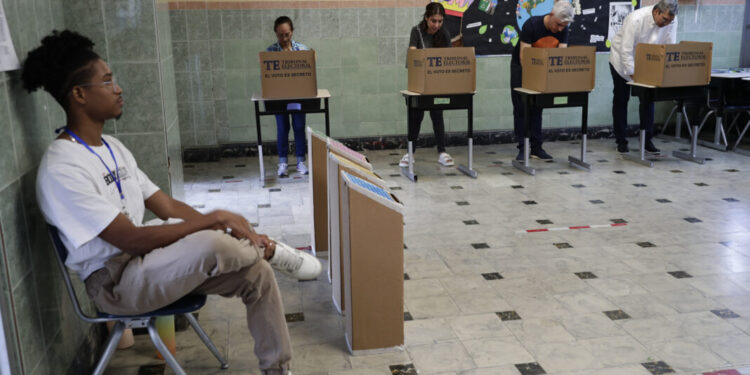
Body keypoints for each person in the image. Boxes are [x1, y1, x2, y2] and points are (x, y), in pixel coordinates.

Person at [23, 30, 323, 375]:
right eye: (107, 82)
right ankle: (267, 247)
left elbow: (165, 205)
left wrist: (221, 223)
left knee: (257, 274)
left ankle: (277, 368)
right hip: (116, 283)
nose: (117, 88)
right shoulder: (62, 166)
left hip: (148, 263)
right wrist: (215, 219)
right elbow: (129, 239)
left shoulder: (113, 148)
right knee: (212, 242)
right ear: (79, 94)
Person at [609, 0, 678, 154]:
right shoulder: (636, 19)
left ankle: (647, 140)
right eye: (664, 20)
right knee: (621, 99)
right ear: (656, 12)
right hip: (621, 61)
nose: (667, 24)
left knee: (648, 100)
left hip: (647, 62)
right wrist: (635, 77)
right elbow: (625, 51)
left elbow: (668, 46)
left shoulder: (672, 20)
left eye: (670, 21)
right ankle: (621, 141)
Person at [510, 0, 575, 161]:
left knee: (538, 107)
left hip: (544, 67)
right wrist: (532, 80)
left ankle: (536, 148)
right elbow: (524, 56)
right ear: (551, 15)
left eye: (563, 26)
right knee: (521, 107)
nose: (559, 29)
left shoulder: (563, 27)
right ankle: (522, 148)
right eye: (558, 25)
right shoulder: (531, 25)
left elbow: (561, 55)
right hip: (522, 67)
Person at [400, 2, 455, 168]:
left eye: (440, 21)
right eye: (433, 21)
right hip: (419, 82)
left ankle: (442, 152)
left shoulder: (444, 33)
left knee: (437, 115)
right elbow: (412, 56)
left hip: (437, 83)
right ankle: (410, 152)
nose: (436, 25)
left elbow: (448, 59)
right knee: (416, 116)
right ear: (426, 18)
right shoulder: (417, 31)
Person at [267, 16, 309, 177]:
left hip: (298, 96)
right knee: (282, 128)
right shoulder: (270, 52)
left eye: (287, 34)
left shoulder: (302, 50)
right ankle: (283, 162)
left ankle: (300, 162)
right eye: (280, 35)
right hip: (279, 98)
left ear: (292, 32)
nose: (284, 38)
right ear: (276, 34)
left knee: (299, 127)